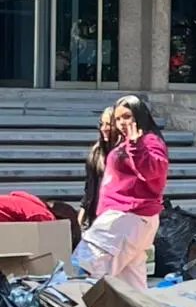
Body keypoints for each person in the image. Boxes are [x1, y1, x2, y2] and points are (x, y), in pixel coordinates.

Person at [71, 95, 169, 290]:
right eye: (118, 118)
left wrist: (136, 147)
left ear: (139, 116)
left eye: (127, 116)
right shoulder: (129, 142)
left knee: (84, 266)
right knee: (130, 286)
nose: (122, 122)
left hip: (127, 217)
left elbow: (153, 170)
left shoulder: (148, 141)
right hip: (129, 219)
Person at [81, 106, 117, 230]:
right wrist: (83, 211)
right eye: (102, 124)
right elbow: (89, 187)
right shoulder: (96, 153)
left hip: (117, 216)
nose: (104, 128)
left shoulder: (125, 154)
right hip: (97, 215)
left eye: (109, 124)